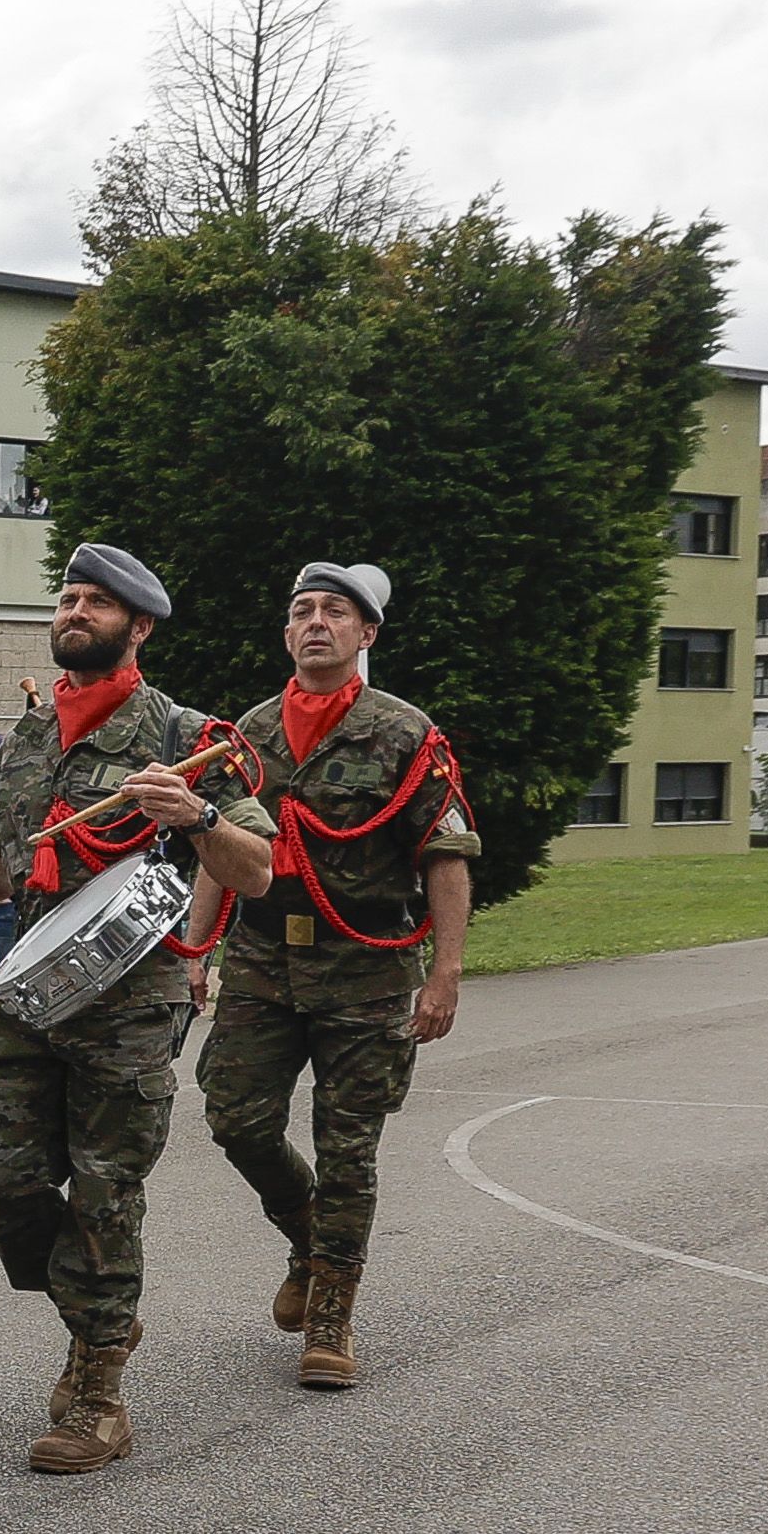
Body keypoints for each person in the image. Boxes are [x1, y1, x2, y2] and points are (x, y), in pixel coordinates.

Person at [0, 542, 275, 1472]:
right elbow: (4, 858)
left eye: (97, 603)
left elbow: (257, 868)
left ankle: (96, 1385)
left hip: (130, 1000)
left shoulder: (185, 737)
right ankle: (105, 1311)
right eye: (68, 596)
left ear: (137, 628)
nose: (75, 611)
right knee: (1, 1183)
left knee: (106, 1189)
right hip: (28, 991)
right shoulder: (24, 740)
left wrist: (197, 817)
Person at [200, 561, 476, 1391]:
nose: (316, 622)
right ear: (288, 634)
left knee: (349, 1148)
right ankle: (309, 1238)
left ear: (366, 635)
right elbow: (216, 845)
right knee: (236, 1120)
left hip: (369, 970)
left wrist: (448, 973)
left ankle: (332, 1317)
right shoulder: (245, 735)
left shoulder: (404, 734)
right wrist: (194, 953)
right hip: (260, 962)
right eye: (302, 611)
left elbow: (447, 854)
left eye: (335, 611)